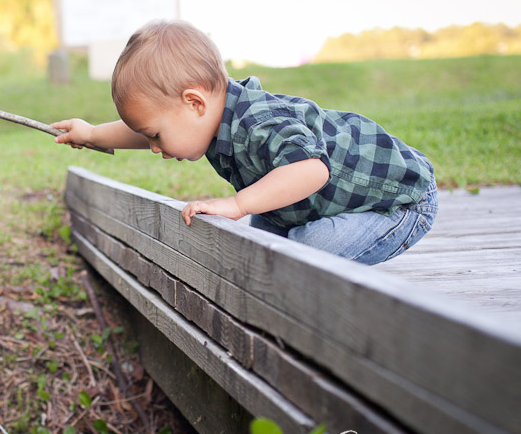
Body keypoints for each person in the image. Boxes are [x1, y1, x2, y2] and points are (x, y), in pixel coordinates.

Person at [52, 19, 437, 265]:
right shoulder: (209, 118)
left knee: (306, 250)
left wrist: (238, 204)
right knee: (255, 252)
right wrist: (92, 134)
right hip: (310, 204)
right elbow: (141, 127)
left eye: (156, 136)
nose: (154, 146)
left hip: (395, 203)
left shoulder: (259, 124)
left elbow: (312, 169)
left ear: (195, 102)